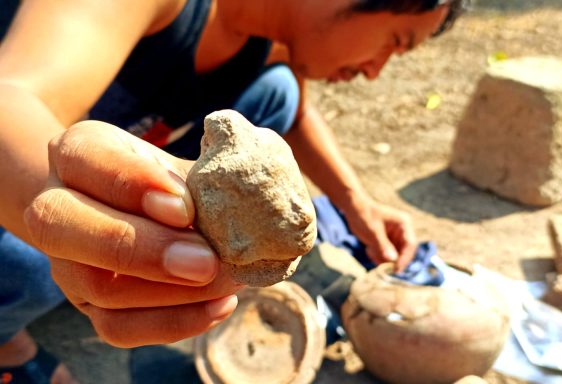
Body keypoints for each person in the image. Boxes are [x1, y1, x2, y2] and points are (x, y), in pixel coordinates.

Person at [0, 0, 464, 382]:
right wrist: (62, 208)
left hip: (140, 134)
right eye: (395, 42)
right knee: (37, 254)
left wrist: (355, 203)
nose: (375, 71)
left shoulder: (272, 39)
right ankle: (8, 341)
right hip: (20, 153)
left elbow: (297, 111)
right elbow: (10, 97)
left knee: (278, 91)